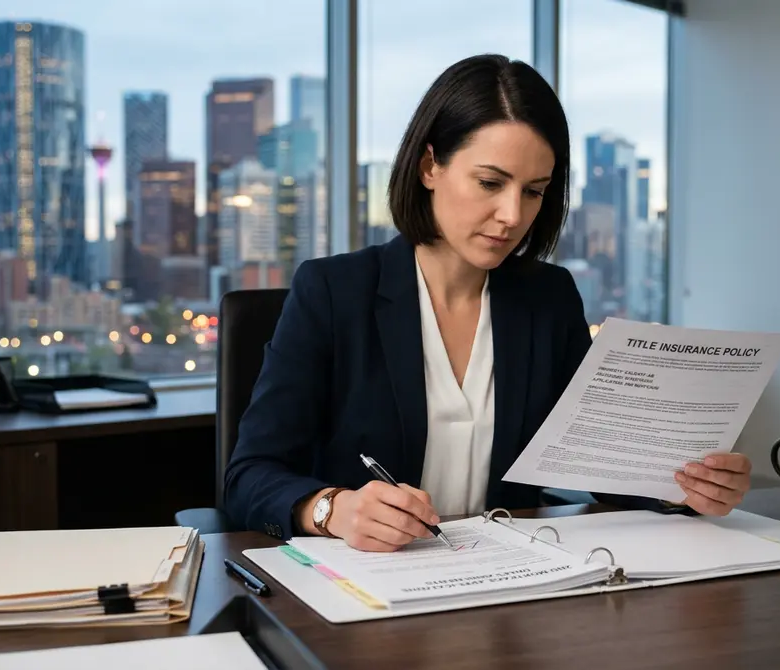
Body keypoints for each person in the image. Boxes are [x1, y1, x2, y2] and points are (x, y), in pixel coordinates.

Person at [222, 54, 753, 553]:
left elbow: (598, 465)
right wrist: (331, 509)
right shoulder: (332, 291)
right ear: (429, 166)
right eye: (490, 182)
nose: (512, 215)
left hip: (507, 579)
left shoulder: (548, 298)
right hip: (369, 583)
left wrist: (683, 488)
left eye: (534, 191)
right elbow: (247, 478)